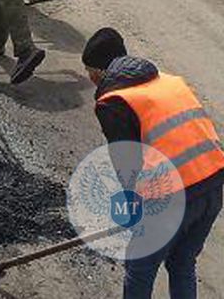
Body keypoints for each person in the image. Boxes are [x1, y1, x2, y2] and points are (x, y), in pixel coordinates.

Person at [83, 28, 224, 299]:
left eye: (89, 71)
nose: (89, 78)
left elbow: (126, 163)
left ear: (101, 72)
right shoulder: (171, 82)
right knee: (182, 263)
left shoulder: (113, 103)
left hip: (173, 197)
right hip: (213, 185)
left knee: (140, 269)